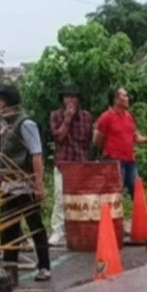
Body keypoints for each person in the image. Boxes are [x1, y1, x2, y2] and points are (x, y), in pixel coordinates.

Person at [0, 85, 51, 281]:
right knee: (8, 229)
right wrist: (0, 178)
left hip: (25, 185)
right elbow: (5, 155)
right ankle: (10, 272)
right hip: (9, 187)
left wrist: (39, 184)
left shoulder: (25, 124)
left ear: (4, 102)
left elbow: (36, 155)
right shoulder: (7, 125)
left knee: (35, 225)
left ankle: (44, 266)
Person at [48, 86, 93, 246]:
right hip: (63, 163)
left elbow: (88, 140)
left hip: (80, 163)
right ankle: (57, 231)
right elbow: (58, 138)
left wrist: (87, 160)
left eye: (73, 97)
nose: (70, 101)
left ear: (79, 100)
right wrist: (67, 119)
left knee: (81, 198)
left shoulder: (86, 116)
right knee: (60, 198)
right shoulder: (56, 115)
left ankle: (78, 230)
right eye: (67, 97)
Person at [93, 87, 147, 198]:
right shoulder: (106, 117)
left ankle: (140, 214)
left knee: (137, 191)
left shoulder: (128, 116)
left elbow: (134, 136)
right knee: (115, 193)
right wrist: (108, 153)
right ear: (116, 99)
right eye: (124, 95)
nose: (128, 98)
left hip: (129, 160)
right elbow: (97, 139)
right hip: (114, 161)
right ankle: (111, 215)